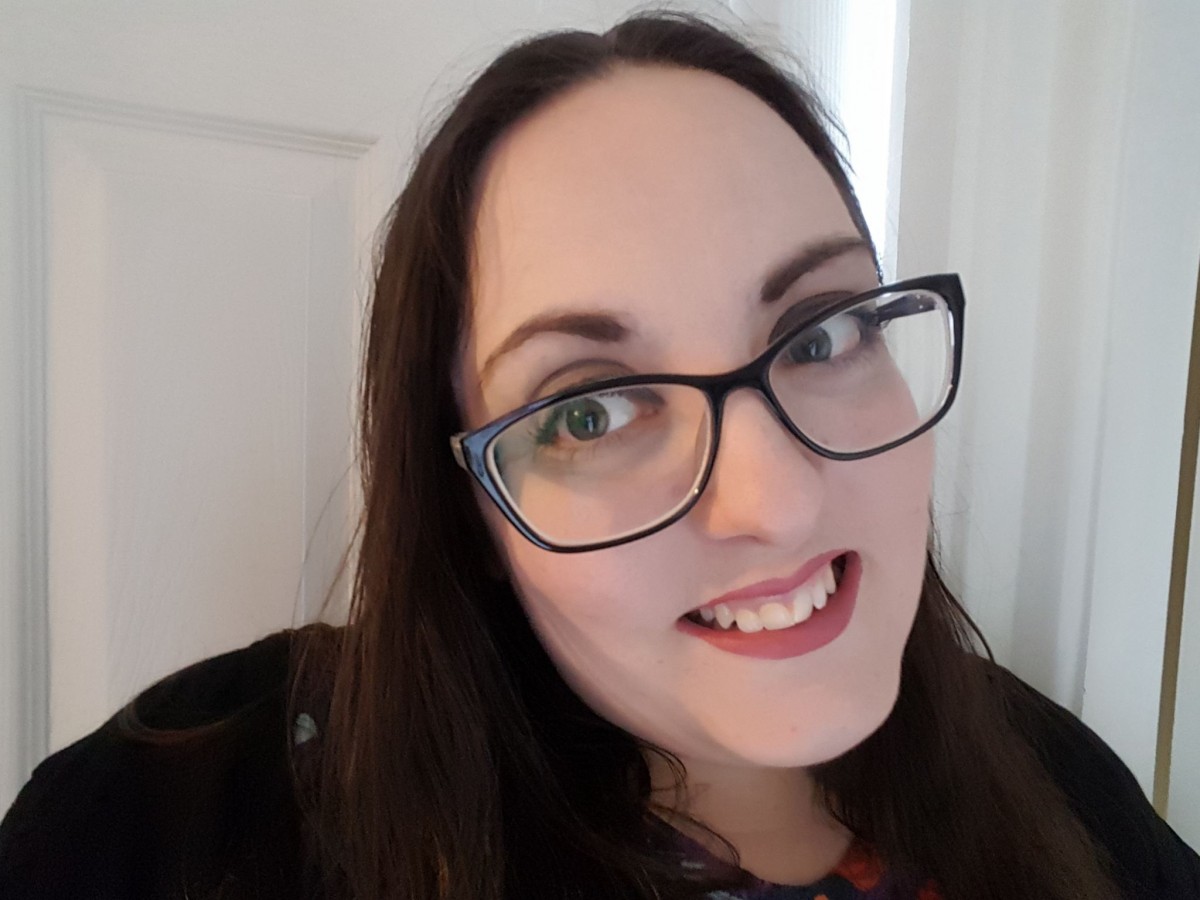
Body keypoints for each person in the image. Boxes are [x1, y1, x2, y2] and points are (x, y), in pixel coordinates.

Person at [1, 11, 1197, 900]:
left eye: (820, 333)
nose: (777, 502)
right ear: (471, 506)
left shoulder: (1057, 788)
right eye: (589, 411)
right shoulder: (186, 813)